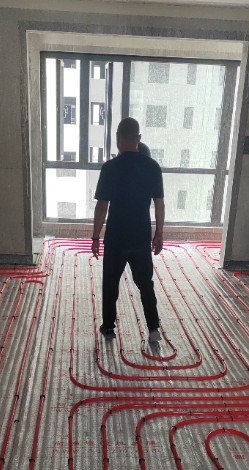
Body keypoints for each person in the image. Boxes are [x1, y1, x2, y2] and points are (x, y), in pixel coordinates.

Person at [91, 117, 164, 343]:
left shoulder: (110, 168)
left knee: (110, 283)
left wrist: (95, 236)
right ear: (139, 138)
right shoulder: (152, 167)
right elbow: (159, 204)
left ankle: (108, 327)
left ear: (117, 139)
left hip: (116, 236)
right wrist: (159, 233)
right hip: (140, 235)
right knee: (145, 283)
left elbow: (102, 206)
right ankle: (153, 329)